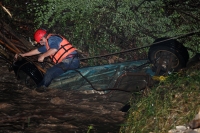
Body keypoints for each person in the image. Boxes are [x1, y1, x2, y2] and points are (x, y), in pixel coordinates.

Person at [15, 28, 80, 90]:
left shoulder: (52, 38)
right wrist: (23, 55)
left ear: (43, 37)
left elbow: (54, 49)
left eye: (40, 41)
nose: (40, 43)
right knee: (53, 74)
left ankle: (40, 90)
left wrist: (43, 56)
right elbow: (37, 51)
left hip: (71, 61)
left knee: (50, 73)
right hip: (67, 62)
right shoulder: (48, 45)